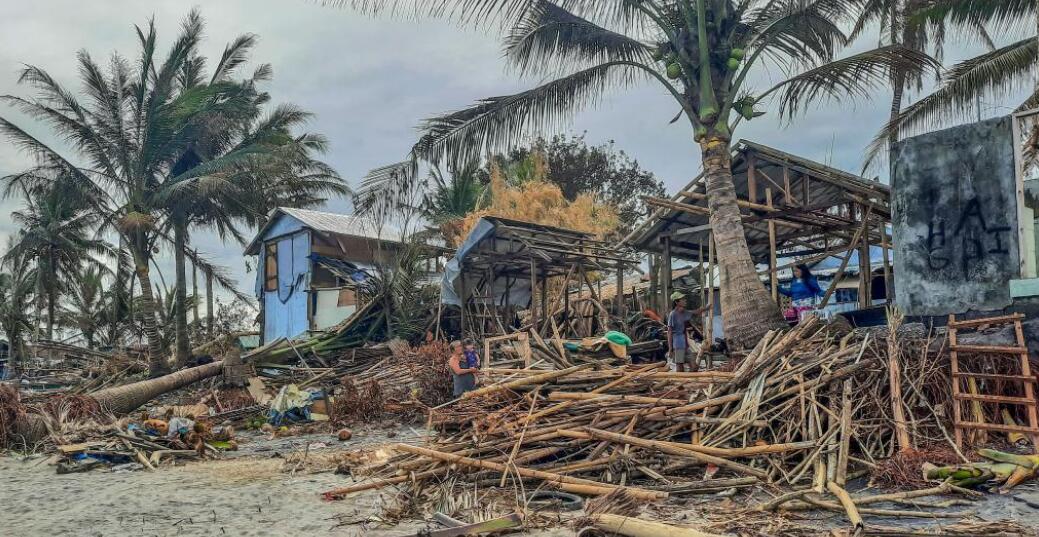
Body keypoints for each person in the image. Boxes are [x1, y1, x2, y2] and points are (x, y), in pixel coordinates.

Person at [666, 291, 707, 372]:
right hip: (677, 344)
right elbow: (669, 332)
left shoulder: (684, 312)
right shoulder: (673, 314)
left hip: (685, 344)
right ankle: (681, 383)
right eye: (682, 299)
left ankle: (689, 381)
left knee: (694, 366)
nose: (685, 300)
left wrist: (706, 308)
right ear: (677, 302)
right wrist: (670, 349)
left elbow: (695, 311)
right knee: (680, 366)